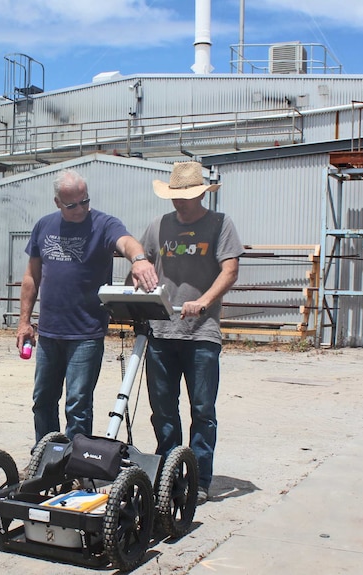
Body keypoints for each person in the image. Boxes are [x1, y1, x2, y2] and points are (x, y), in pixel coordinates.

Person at [17, 169, 158, 444]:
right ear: (57, 202)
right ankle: (46, 460)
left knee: (78, 405)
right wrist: (24, 322)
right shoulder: (44, 226)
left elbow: (126, 242)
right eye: (72, 205)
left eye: (85, 201)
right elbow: (31, 277)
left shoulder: (103, 224)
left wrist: (138, 259)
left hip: (85, 333)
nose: (81, 209)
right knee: (42, 400)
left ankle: (75, 465)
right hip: (49, 333)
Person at [139, 161, 243, 504]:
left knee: (202, 409)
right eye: (174, 196)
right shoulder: (158, 226)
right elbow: (141, 265)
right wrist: (134, 288)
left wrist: (204, 301)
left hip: (201, 333)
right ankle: (168, 471)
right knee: (163, 409)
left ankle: (198, 478)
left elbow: (230, 270)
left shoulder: (219, 224)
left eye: (184, 196)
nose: (178, 202)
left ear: (199, 193)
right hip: (161, 331)